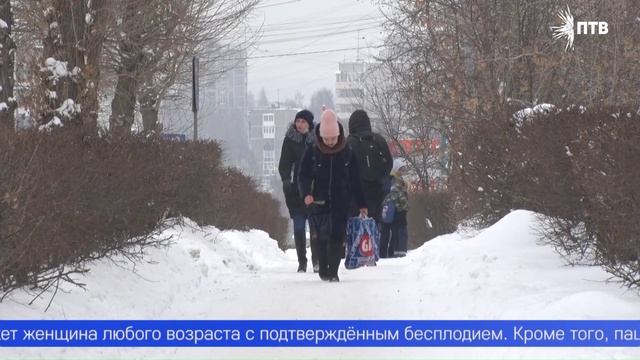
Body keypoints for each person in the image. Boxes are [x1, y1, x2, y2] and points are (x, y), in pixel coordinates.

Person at [298, 109, 368, 282]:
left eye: (333, 139)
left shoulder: (347, 152)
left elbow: (355, 179)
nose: (330, 143)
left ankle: (334, 271)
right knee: (321, 238)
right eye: (326, 139)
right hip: (318, 202)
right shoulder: (313, 151)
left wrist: (362, 203)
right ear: (320, 136)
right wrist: (306, 193)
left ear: (339, 135)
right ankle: (323, 266)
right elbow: (303, 175)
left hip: (340, 201)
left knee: (337, 236)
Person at [278, 109, 318, 273]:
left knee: (315, 227)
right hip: (295, 191)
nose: (299, 124)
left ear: (309, 124)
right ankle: (302, 261)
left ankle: (317, 260)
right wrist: (286, 180)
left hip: (314, 189)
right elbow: (284, 164)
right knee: (299, 227)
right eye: (298, 121)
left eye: (303, 122)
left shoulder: (316, 141)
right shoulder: (289, 141)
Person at [347, 110, 393, 224]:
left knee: (356, 231)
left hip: (356, 198)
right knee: (375, 229)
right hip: (378, 195)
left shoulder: (349, 142)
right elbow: (389, 164)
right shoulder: (379, 140)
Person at [380, 159, 410, 258]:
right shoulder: (396, 181)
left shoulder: (388, 179)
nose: (403, 172)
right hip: (396, 210)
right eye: (401, 169)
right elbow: (396, 195)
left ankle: (385, 253)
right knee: (398, 231)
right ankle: (395, 252)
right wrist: (402, 205)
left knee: (387, 232)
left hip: (388, 209)